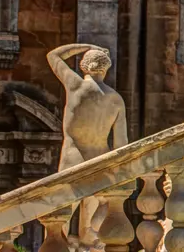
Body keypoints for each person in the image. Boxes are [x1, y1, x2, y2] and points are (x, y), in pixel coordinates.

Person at [48, 43, 127, 240]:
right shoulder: (116, 100)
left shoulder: (76, 86)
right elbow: (121, 144)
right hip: (100, 161)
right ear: (106, 68)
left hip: (73, 158)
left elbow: (53, 55)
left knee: (60, 216)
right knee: (96, 217)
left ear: (84, 66)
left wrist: (86, 46)